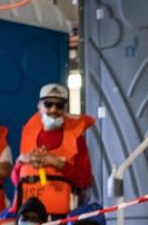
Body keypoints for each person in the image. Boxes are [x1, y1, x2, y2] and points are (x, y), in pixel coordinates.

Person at [12, 83, 93, 217]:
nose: (54, 109)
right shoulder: (28, 135)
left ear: (65, 109)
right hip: (29, 216)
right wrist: (19, 163)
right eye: (48, 104)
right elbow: (16, 181)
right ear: (39, 107)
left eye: (60, 105)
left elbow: (85, 181)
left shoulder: (77, 139)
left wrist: (58, 164)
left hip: (63, 217)